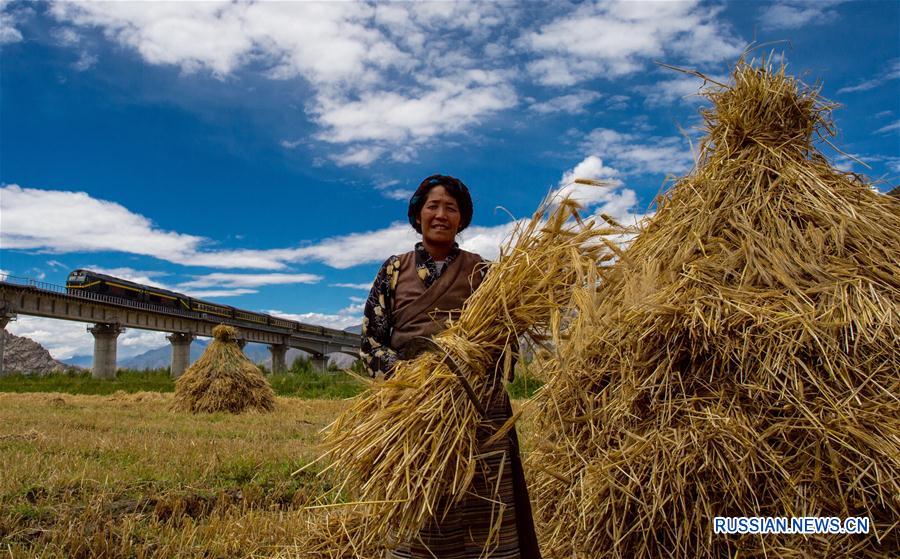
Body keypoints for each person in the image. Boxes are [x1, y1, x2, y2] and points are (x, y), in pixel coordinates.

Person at [360, 174, 542, 559]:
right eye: (433, 206)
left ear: (462, 219)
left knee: (483, 511)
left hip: (478, 411)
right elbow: (371, 341)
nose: (441, 214)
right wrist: (411, 379)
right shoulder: (394, 270)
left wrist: (469, 370)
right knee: (420, 508)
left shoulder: (484, 273)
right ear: (418, 214)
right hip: (410, 408)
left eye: (451, 208)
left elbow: (504, 341)